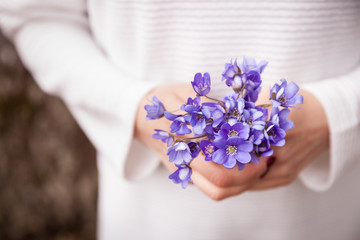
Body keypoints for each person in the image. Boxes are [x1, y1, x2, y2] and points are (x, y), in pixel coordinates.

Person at [1, 1, 360, 239]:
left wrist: (340, 112)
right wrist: (132, 106)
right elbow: (38, 15)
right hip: (148, 220)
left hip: (329, 216)